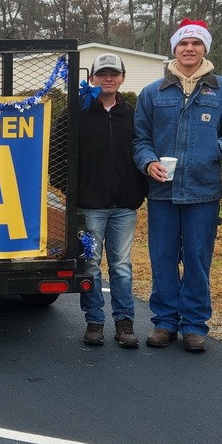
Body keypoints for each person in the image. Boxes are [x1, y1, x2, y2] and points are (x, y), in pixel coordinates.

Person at [132, 18, 222, 353]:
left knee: (198, 259)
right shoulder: (153, 92)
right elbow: (140, 138)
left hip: (203, 192)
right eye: (184, 43)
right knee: (163, 257)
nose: (189, 48)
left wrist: (218, 148)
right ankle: (165, 322)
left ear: (205, 49)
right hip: (162, 193)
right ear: (174, 48)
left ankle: (195, 325)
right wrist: (147, 161)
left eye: (196, 43)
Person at [50, 53, 148, 348]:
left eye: (113, 74)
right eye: (102, 73)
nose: (108, 78)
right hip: (88, 207)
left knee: (121, 266)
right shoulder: (74, 113)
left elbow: (145, 150)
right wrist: (71, 191)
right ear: (91, 78)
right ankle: (94, 322)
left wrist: (138, 190)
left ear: (122, 78)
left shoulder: (133, 115)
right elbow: (56, 155)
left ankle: (124, 322)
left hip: (124, 207)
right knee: (90, 265)